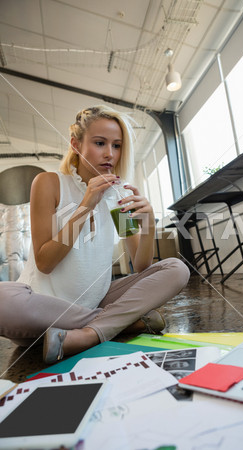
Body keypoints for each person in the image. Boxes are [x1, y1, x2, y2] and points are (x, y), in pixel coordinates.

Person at [0, 105, 190, 364]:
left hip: (94, 300)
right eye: (100, 143)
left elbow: (142, 266)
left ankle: (89, 334)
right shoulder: (49, 183)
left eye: (117, 145)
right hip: (38, 309)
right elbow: (45, 262)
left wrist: (147, 226)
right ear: (76, 144)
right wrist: (86, 205)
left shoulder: (118, 196)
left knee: (177, 268)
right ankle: (120, 323)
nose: (109, 154)